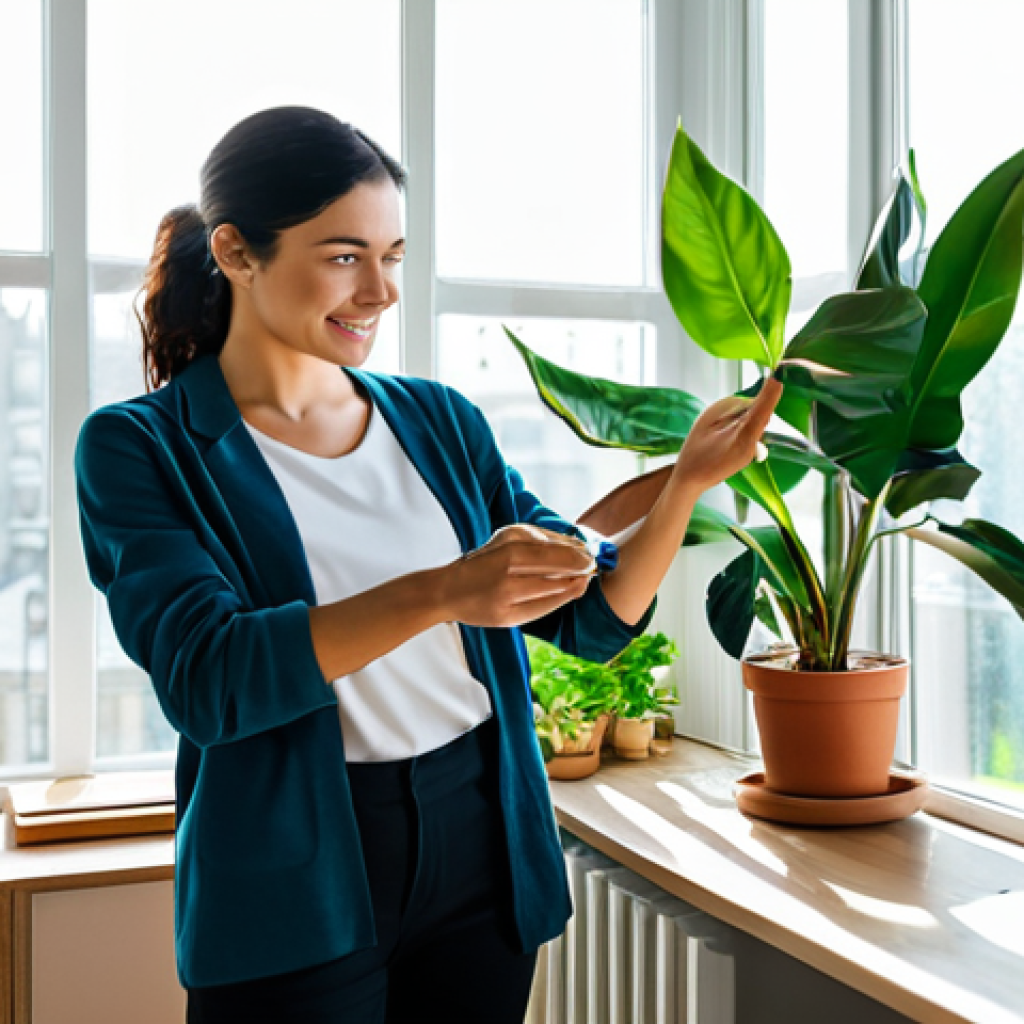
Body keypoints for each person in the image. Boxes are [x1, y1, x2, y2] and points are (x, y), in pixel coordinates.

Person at [74, 106, 782, 1024]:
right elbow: (212, 680)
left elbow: (592, 615)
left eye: (394, 256)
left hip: (479, 837)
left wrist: (683, 485)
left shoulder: (440, 420)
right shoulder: (140, 447)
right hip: (295, 866)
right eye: (343, 256)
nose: (380, 291)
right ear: (239, 254)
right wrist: (445, 591)